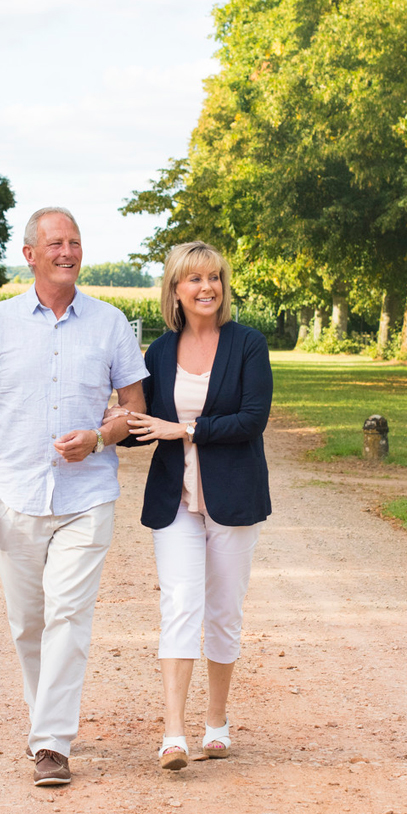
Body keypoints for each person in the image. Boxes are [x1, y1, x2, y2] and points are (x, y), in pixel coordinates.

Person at [0, 207, 149, 787]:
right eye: (55, 243)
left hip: (87, 497)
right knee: (28, 622)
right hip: (15, 494)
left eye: (75, 241)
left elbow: (135, 410)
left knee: (68, 614)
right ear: (30, 255)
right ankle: (47, 720)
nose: (67, 251)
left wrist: (98, 438)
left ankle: (51, 744)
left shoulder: (112, 323)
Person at [123, 241, 272, 771]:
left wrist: (184, 429)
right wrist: (108, 424)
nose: (207, 287)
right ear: (175, 290)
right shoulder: (160, 353)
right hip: (176, 502)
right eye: (194, 279)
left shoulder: (249, 345)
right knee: (179, 605)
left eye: (215, 278)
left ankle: (217, 721)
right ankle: (173, 733)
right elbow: (143, 425)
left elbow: (252, 419)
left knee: (223, 613)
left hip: (233, 499)